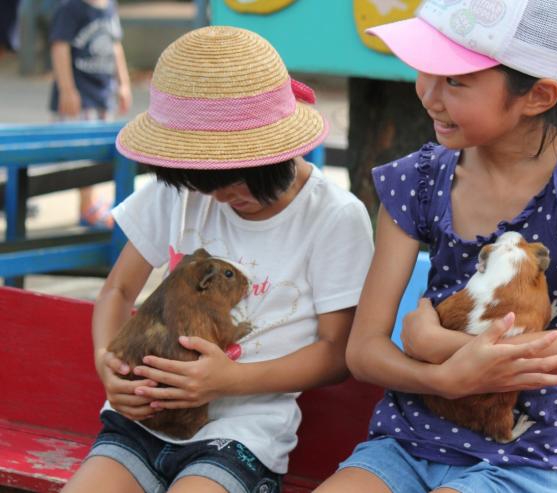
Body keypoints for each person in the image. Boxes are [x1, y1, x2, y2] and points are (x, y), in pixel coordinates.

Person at [317, 0, 557, 492]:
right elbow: (364, 350)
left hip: (529, 457)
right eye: (426, 70)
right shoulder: (417, 179)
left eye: (455, 81)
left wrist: (439, 346)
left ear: (538, 95)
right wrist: (444, 379)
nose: (427, 94)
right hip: (406, 443)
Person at [61, 26, 374, 493]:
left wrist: (227, 379)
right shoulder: (183, 194)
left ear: (280, 151)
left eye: (238, 180)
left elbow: (335, 353)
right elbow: (117, 290)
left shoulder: (333, 216)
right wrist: (106, 359)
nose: (221, 196)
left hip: (241, 435)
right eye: (203, 181)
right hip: (142, 421)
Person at [49, 0, 132, 229]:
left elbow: (116, 47)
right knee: (83, 152)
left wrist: (123, 83)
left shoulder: (109, 7)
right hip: (80, 96)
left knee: (102, 152)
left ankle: (91, 203)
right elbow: (60, 47)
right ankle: (86, 207)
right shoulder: (70, 8)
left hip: (103, 93)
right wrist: (67, 89)